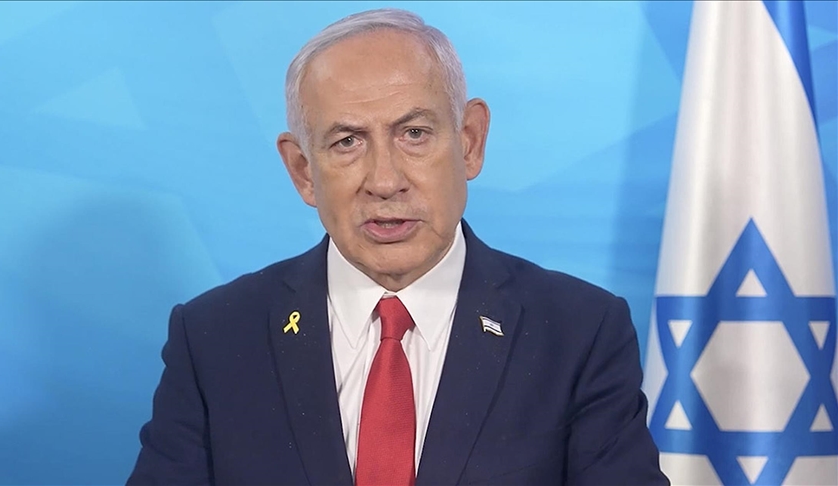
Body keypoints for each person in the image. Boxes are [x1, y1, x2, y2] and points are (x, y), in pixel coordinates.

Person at [127, 8, 668, 486]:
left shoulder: (578, 334)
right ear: (303, 170)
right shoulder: (215, 339)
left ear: (470, 142)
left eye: (414, 134)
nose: (385, 181)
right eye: (347, 142)